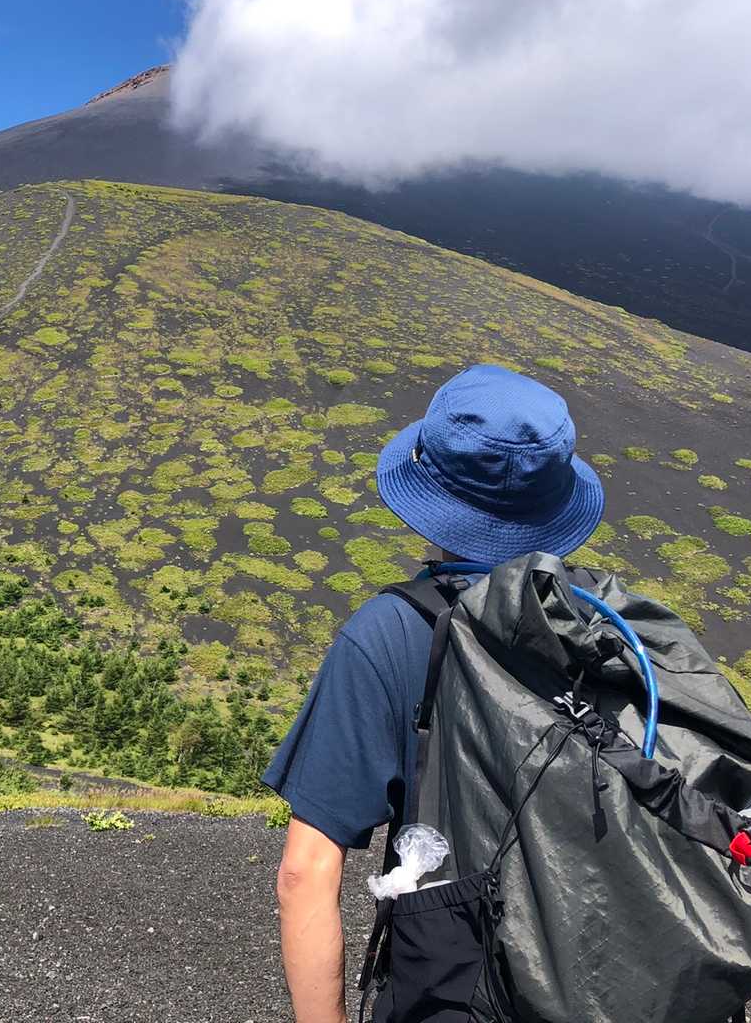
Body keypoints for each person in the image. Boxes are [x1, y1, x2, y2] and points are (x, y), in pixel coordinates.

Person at [262, 364, 605, 1023]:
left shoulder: (391, 632)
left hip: (455, 993)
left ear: (431, 492)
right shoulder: (610, 626)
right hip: (610, 984)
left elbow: (304, 874)